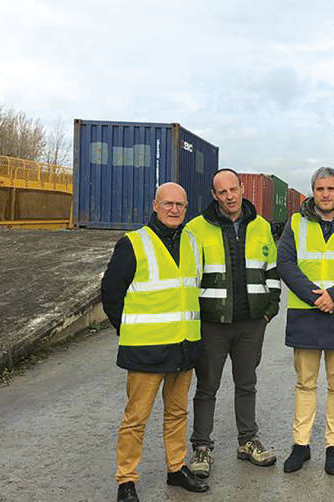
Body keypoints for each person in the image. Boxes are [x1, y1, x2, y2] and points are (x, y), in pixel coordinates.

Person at [101, 182, 209, 502]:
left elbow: (192, 290)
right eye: (168, 204)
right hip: (146, 350)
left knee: (177, 414)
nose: (175, 210)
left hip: (184, 347)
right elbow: (110, 294)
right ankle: (127, 480)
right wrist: (129, 331)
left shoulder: (192, 242)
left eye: (181, 205)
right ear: (155, 205)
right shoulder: (134, 243)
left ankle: (176, 468)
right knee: (136, 418)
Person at [185, 169, 281, 478]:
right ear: (214, 195)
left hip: (251, 323)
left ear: (242, 188)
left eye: (233, 189)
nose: (229, 196)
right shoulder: (195, 229)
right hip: (213, 324)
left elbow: (272, 270)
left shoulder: (261, 226)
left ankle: (247, 441)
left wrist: (269, 310)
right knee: (207, 386)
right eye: (222, 191)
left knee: (247, 383)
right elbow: (188, 278)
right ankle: (201, 447)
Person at [277, 166, 334, 475]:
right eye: (320, 189)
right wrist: (314, 295)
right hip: (306, 311)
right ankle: (300, 445)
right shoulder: (295, 222)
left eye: (331, 189)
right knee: (305, 383)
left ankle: (333, 446)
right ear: (312, 192)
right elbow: (285, 262)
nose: (326, 194)